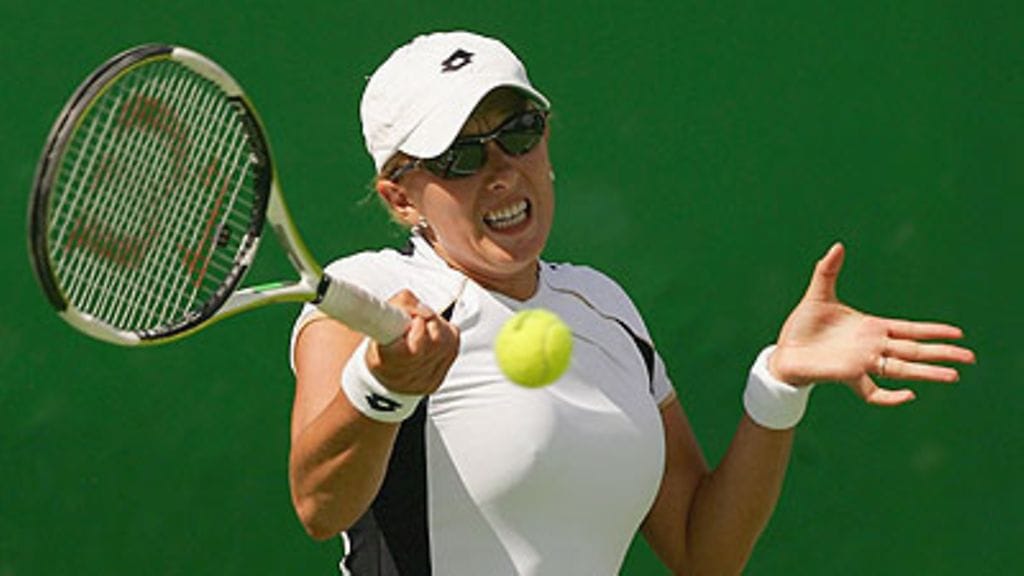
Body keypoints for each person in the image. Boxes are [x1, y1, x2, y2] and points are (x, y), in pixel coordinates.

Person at [287, 31, 975, 575]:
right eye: (460, 156)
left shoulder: (602, 305)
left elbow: (702, 554)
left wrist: (778, 382)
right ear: (401, 197)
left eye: (518, 131)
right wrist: (383, 386)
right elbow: (320, 506)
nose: (500, 170)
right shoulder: (369, 297)